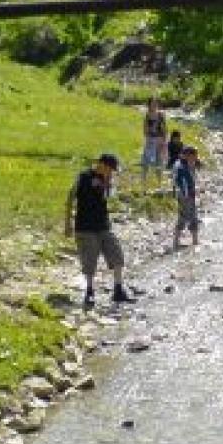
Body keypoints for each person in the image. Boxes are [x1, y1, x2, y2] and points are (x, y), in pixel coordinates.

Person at [65, 153, 136, 308]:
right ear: (102, 165)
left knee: (117, 255)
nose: (111, 173)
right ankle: (89, 292)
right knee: (89, 260)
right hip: (85, 226)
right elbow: (70, 197)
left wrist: (107, 184)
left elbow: (108, 197)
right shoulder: (83, 177)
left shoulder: (107, 180)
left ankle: (118, 290)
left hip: (103, 225)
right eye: (110, 169)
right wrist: (67, 223)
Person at [173, 145, 200, 250]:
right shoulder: (182, 168)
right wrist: (187, 195)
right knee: (190, 217)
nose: (196, 158)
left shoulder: (181, 163)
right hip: (186, 195)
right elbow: (182, 183)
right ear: (189, 156)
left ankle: (177, 241)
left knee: (183, 216)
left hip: (184, 195)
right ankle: (194, 241)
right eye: (195, 156)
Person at [141, 98, 168, 184]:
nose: (154, 105)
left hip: (160, 141)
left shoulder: (161, 115)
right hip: (150, 141)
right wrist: (149, 138)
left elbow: (164, 129)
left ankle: (159, 181)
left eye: (155, 104)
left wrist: (164, 141)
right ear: (149, 105)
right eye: (152, 104)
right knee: (146, 161)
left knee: (159, 161)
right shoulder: (147, 116)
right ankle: (144, 180)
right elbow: (145, 131)